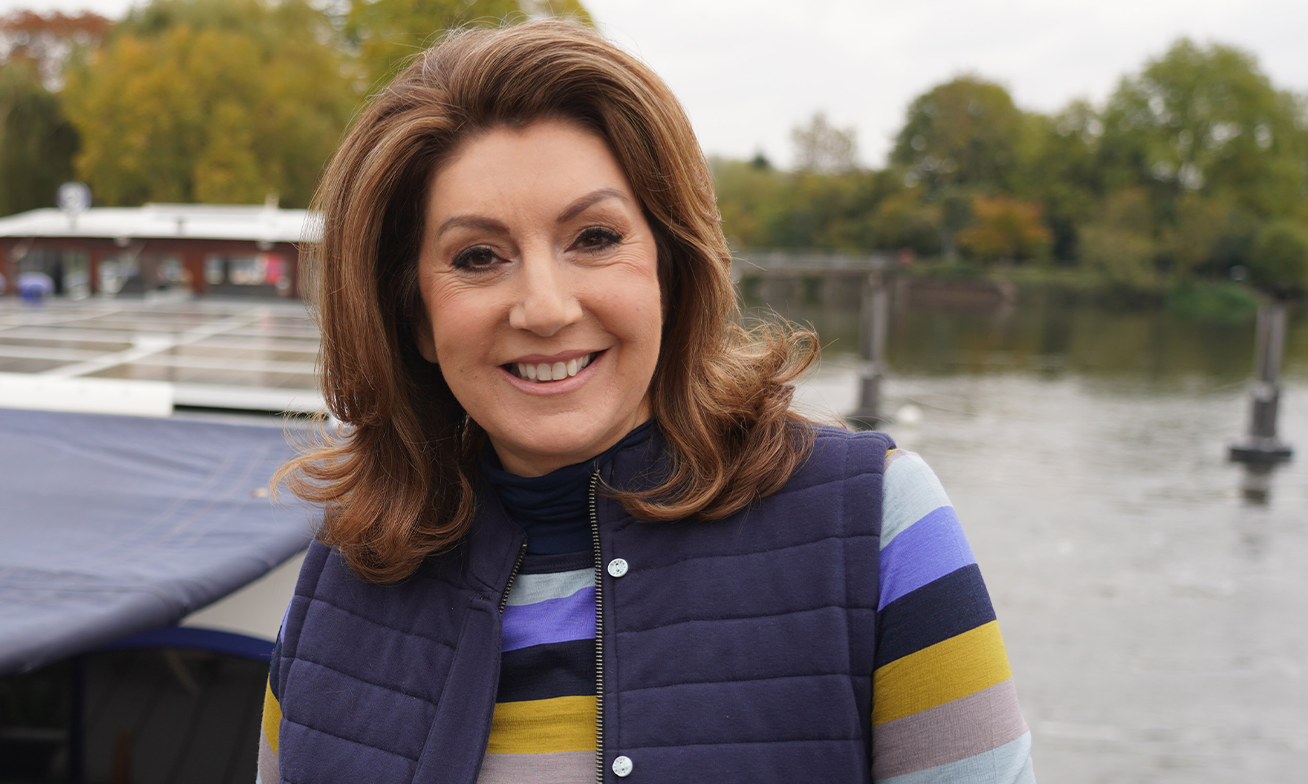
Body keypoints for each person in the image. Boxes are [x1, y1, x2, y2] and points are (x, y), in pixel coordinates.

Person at [263, 19, 1034, 784]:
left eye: (594, 237)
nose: (544, 307)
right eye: (478, 257)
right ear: (415, 318)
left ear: (670, 264)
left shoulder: (881, 528)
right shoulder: (348, 565)